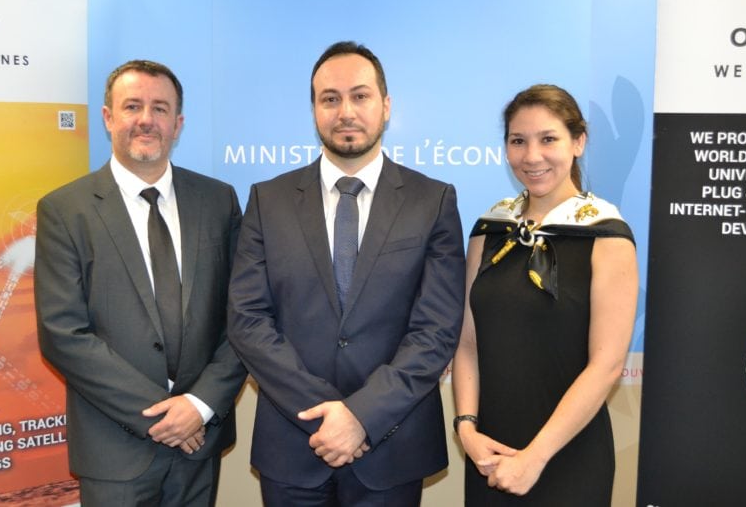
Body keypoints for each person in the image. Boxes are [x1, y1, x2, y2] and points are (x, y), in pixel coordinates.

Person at [227, 41, 466, 506]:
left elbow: (435, 330)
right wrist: (329, 416)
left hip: (392, 447)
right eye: (330, 98)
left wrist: (361, 415)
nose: (345, 111)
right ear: (314, 109)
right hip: (294, 446)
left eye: (360, 96)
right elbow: (248, 320)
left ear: (386, 105)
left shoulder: (432, 201)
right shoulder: (267, 200)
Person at [35, 60, 246, 506]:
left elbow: (244, 315)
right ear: (109, 117)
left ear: (178, 124)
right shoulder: (64, 210)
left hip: (198, 442)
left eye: (160, 108)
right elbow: (62, 333)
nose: (146, 119)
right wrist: (162, 416)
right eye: (132, 106)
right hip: (114, 450)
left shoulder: (218, 201)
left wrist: (199, 406)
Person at [452, 84, 638, 505]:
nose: (531, 156)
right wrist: (467, 428)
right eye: (518, 141)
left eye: (548, 139)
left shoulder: (608, 235)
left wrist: (535, 458)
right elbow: (466, 341)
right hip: (489, 453)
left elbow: (606, 366)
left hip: (568, 455)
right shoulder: (489, 230)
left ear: (578, 142)